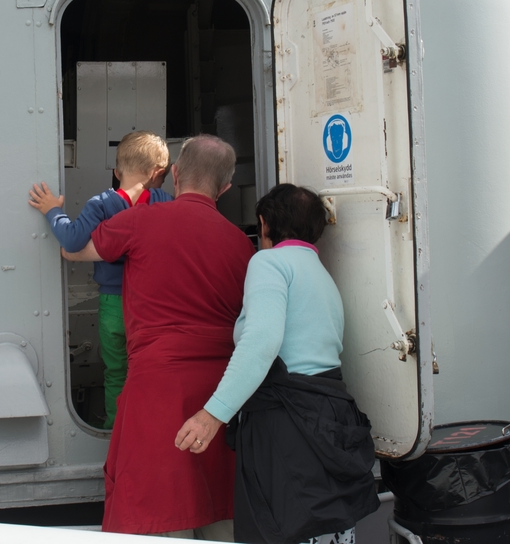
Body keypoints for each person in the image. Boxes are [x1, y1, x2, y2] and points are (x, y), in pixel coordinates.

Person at [64, 134, 254, 538]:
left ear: (175, 175)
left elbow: (75, 250)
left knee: (154, 515)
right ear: (224, 188)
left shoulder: (138, 221)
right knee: (219, 509)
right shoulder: (242, 246)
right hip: (223, 398)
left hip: (157, 390)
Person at [175, 185, 379, 544]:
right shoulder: (321, 274)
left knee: (283, 529)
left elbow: (261, 342)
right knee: (325, 529)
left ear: (265, 224)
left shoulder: (269, 262)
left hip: (288, 423)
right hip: (330, 414)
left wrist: (212, 415)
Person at [29, 130, 171, 428]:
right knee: (149, 370)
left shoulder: (102, 204)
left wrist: (52, 210)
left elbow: (72, 240)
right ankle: (151, 425)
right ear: (158, 174)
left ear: (116, 171)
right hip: (153, 306)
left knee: (117, 372)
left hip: (113, 305)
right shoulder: (164, 202)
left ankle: (115, 428)